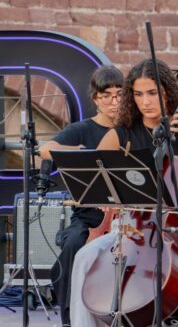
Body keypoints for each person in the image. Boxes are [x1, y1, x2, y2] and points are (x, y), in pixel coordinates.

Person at [69, 59, 178, 327]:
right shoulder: (121, 133)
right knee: (84, 257)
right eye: (137, 94)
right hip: (129, 227)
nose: (145, 101)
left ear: (167, 92)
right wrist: (102, 196)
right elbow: (95, 179)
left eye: (152, 93)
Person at [40, 65, 124, 327]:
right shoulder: (82, 129)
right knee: (74, 243)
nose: (114, 101)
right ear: (95, 99)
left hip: (127, 214)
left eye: (120, 94)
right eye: (106, 95)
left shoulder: (131, 129)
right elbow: (45, 150)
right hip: (89, 216)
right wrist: (76, 151)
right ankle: (69, 319)